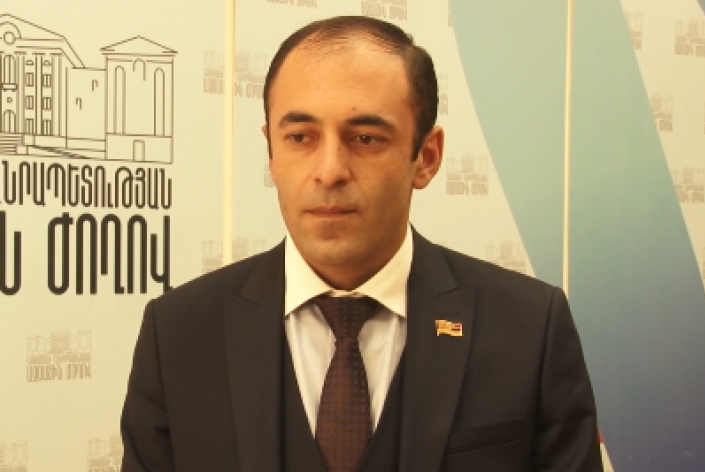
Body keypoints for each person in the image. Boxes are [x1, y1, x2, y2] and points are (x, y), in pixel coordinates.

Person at [121, 15, 602, 472]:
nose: (329, 171)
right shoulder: (179, 334)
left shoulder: (530, 330)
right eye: (300, 137)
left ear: (426, 157)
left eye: (366, 139)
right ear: (271, 151)